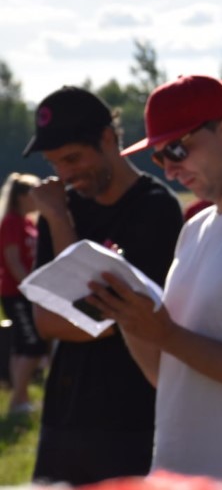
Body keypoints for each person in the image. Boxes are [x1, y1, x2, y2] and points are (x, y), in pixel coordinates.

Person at [86, 75, 222, 480]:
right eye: (159, 158)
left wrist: (166, 334)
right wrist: (129, 314)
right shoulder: (194, 228)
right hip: (173, 472)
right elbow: (167, 374)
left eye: (176, 150)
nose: (170, 171)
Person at [22, 87, 183, 485]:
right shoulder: (61, 206)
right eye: (54, 163)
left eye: (73, 158)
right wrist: (59, 217)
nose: (64, 174)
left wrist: (60, 222)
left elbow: (109, 320)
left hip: (131, 416)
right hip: (65, 414)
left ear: (108, 139)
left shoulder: (155, 207)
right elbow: (47, 321)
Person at [0, 172, 47, 416]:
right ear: (20, 196)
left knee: (22, 345)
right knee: (33, 344)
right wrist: (31, 289)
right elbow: (13, 260)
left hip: (26, 292)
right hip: (18, 294)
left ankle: (19, 399)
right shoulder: (11, 222)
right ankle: (18, 399)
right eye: (34, 193)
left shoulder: (28, 222)